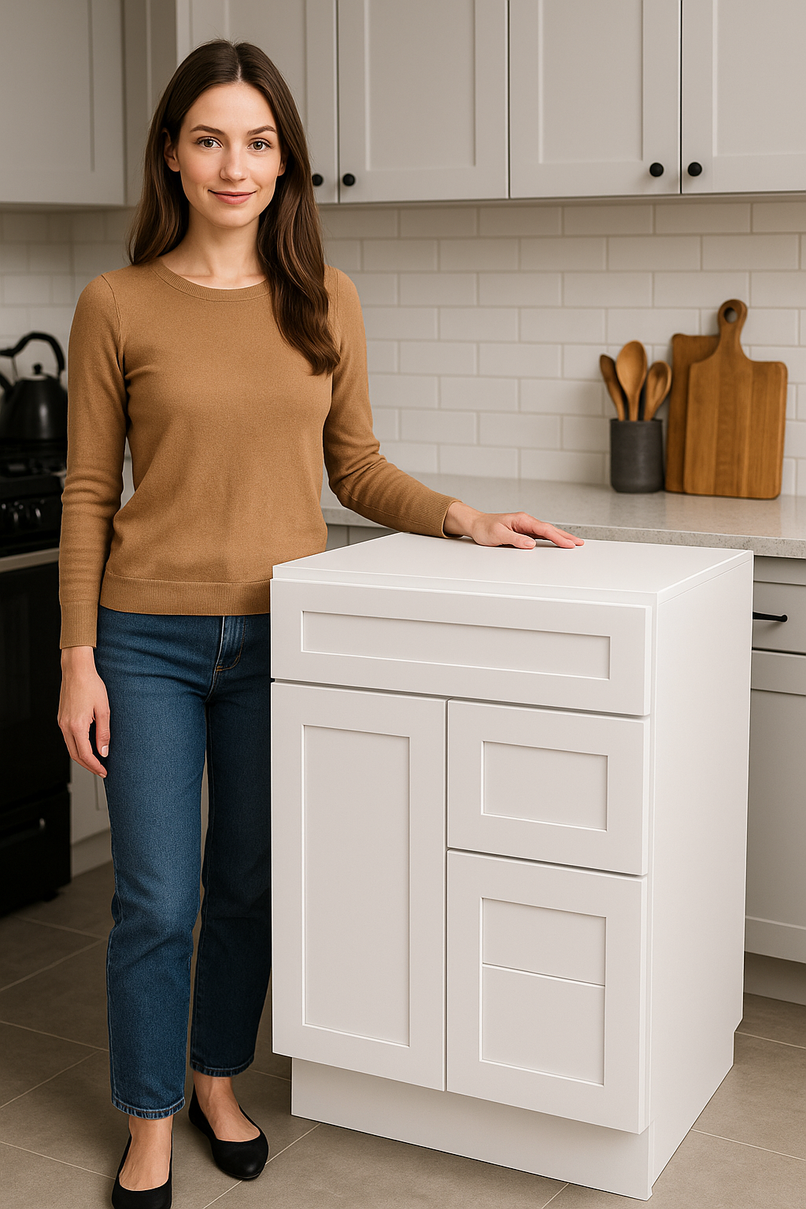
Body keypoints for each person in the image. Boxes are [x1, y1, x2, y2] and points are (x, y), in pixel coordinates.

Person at [57, 39, 583, 1209]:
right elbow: (87, 491)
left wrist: (462, 517)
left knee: (247, 884)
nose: (233, 166)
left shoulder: (323, 297)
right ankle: (147, 1119)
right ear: (171, 154)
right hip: (144, 640)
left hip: (283, 640)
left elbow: (354, 466)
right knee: (156, 898)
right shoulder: (116, 303)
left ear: (285, 160)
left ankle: (215, 1080)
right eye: (209, 140)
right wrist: (76, 659)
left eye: (257, 142)